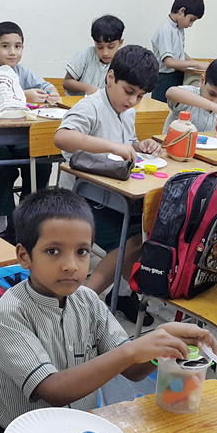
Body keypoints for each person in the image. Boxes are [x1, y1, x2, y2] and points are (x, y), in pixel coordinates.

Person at [0, 188, 217, 427]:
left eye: (82, 252)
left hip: (84, 426)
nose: (71, 265)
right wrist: (132, 350)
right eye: (53, 251)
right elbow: (52, 390)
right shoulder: (9, 314)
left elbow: (131, 370)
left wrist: (161, 342)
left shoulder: (88, 301)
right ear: (24, 256)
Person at [54, 45, 165, 324]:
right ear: (111, 78)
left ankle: (123, 293)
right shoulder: (91, 106)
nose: (133, 101)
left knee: (147, 230)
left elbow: (126, 144)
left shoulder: (127, 111)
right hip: (82, 197)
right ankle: (81, 301)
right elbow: (62, 137)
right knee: (131, 242)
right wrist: (112, 146)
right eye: (129, 91)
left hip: (115, 194)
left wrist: (140, 146)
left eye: (141, 96)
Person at [0, 21, 58, 240]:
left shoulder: (23, 72)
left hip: (19, 135)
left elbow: (45, 85)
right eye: (5, 46)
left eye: (18, 46)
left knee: (41, 158)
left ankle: (27, 214)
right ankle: (0, 224)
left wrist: (51, 92)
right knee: (1, 162)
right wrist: (25, 95)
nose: (12, 52)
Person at [151, 0, 209, 102]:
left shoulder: (179, 29)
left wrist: (196, 64)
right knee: (163, 109)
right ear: (182, 11)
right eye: (191, 20)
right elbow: (169, 62)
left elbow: (180, 53)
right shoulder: (165, 31)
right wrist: (197, 64)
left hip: (177, 75)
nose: (190, 25)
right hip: (165, 79)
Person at [63, 15, 124, 96]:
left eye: (111, 47)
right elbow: (66, 83)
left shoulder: (122, 63)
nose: (105, 53)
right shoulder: (86, 55)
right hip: (78, 102)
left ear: (120, 43)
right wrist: (86, 87)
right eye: (99, 47)